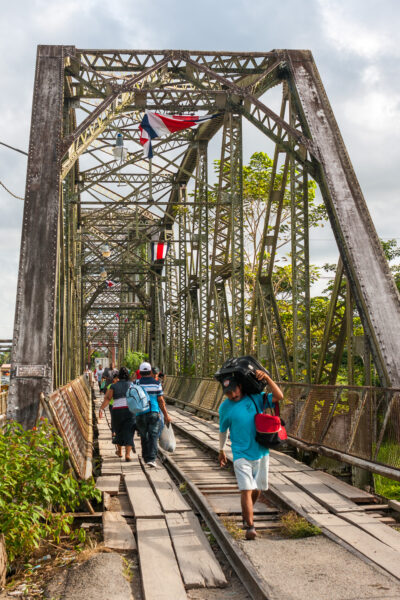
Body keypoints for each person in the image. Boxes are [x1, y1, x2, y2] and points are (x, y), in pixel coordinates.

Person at [218, 370, 283, 540]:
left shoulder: (256, 397)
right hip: (240, 454)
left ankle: (247, 512)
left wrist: (268, 378)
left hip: (261, 452)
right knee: (246, 489)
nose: (232, 395)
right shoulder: (225, 407)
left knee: (258, 489)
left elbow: (279, 396)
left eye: (234, 390)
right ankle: (250, 526)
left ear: (240, 386)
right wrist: (221, 449)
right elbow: (223, 431)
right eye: (228, 393)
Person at [135, 361, 172, 468]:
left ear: (140, 372)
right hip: (153, 412)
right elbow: (161, 401)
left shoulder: (136, 383)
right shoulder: (157, 384)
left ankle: (145, 457)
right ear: (150, 371)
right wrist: (166, 415)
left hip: (140, 413)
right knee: (153, 436)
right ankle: (151, 459)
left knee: (143, 435)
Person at [99, 367, 136, 461]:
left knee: (118, 431)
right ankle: (127, 455)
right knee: (129, 432)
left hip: (117, 411)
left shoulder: (114, 386)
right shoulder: (132, 385)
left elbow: (107, 398)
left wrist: (101, 409)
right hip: (130, 411)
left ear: (119, 375)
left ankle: (119, 452)